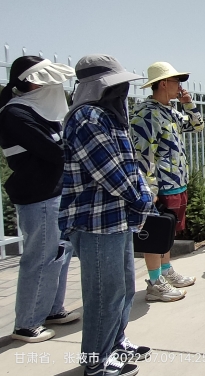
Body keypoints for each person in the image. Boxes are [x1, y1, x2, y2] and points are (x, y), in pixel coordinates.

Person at [59, 54, 152, 376]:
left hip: (116, 218)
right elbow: (109, 170)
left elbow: (131, 164)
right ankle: (96, 363)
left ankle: (115, 343)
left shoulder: (108, 117)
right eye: (117, 85)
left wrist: (140, 196)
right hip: (95, 222)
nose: (123, 91)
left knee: (122, 288)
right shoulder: (87, 117)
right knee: (104, 295)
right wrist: (141, 198)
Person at [0, 56, 80, 343]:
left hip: (55, 193)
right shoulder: (16, 113)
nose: (56, 87)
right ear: (31, 84)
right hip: (39, 195)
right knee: (40, 258)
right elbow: (56, 152)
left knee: (59, 253)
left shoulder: (40, 111)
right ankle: (27, 323)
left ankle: (52, 309)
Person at [130, 61, 204, 302]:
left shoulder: (170, 111)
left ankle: (165, 270)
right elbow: (143, 154)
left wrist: (188, 103)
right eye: (176, 81)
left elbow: (197, 125)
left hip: (176, 182)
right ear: (163, 84)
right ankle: (154, 282)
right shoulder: (147, 113)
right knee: (155, 233)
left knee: (167, 232)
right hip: (160, 185)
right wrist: (149, 189)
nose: (180, 86)